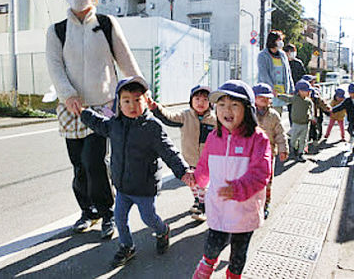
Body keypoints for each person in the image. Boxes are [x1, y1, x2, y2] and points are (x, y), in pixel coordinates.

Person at [46, 0, 142, 235]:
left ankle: (107, 212)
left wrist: (141, 89)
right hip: (71, 108)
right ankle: (86, 211)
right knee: (78, 164)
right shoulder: (57, 30)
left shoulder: (106, 23)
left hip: (103, 106)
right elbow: (54, 66)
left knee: (94, 160)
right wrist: (68, 94)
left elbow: (125, 58)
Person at [80, 76, 195, 268]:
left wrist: (183, 170)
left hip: (144, 188)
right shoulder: (115, 124)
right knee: (119, 218)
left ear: (146, 101)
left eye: (137, 99)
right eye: (126, 100)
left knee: (148, 218)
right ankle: (127, 246)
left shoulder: (152, 127)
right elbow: (98, 123)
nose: (132, 105)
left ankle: (162, 230)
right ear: (119, 103)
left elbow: (169, 151)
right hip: (123, 186)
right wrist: (84, 113)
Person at [191, 80, 272, 279]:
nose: (227, 110)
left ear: (248, 109)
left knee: (238, 253)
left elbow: (261, 173)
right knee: (212, 245)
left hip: (245, 210)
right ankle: (206, 266)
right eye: (221, 105)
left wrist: (237, 189)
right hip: (218, 207)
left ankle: (233, 275)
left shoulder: (258, 138)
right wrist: (197, 180)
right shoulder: (213, 137)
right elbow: (204, 165)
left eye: (234, 105)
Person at [147, 85, 216, 221]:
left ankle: (203, 207)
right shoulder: (185, 116)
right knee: (192, 184)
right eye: (197, 99)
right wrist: (156, 107)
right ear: (191, 101)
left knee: (202, 185)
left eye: (205, 99)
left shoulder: (215, 119)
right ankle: (198, 200)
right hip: (189, 159)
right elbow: (169, 117)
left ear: (210, 103)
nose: (200, 102)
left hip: (207, 162)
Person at [252, 83, 289, 219]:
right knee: (250, 180)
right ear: (253, 98)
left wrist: (283, 149)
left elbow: (280, 133)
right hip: (250, 154)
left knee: (267, 181)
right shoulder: (247, 113)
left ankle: (265, 204)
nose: (263, 100)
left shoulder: (274, 115)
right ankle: (252, 204)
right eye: (260, 97)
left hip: (268, 154)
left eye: (266, 97)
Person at [257, 30, 294, 116]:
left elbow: (288, 73)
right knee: (266, 118)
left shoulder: (283, 55)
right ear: (272, 41)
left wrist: (291, 89)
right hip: (268, 93)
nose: (281, 42)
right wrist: (271, 89)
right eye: (279, 39)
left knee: (277, 117)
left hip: (281, 93)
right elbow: (264, 74)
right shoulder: (263, 55)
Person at [277, 80, 315, 162]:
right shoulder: (295, 99)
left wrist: (312, 117)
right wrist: (278, 95)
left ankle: (301, 153)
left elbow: (312, 110)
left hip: (305, 124)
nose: (309, 92)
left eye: (309, 91)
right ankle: (293, 150)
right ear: (300, 91)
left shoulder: (309, 101)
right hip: (296, 124)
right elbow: (287, 98)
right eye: (307, 91)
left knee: (303, 140)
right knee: (293, 139)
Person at [302, 75, 331, 146]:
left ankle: (311, 140)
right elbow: (321, 101)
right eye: (312, 81)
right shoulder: (314, 91)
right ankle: (313, 140)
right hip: (314, 112)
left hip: (312, 112)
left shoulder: (301, 91)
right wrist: (328, 109)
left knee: (312, 126)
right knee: (314, 126)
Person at [284, 44, 307, 126]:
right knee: (291, 112)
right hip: (287, 91)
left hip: (298, 92)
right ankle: (292, 130)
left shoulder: (298, 63)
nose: (292, 53)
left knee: (297, 111)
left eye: (293, 51)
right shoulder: (282, 62)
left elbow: (303, 77)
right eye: (290, 52)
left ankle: (295, 130)